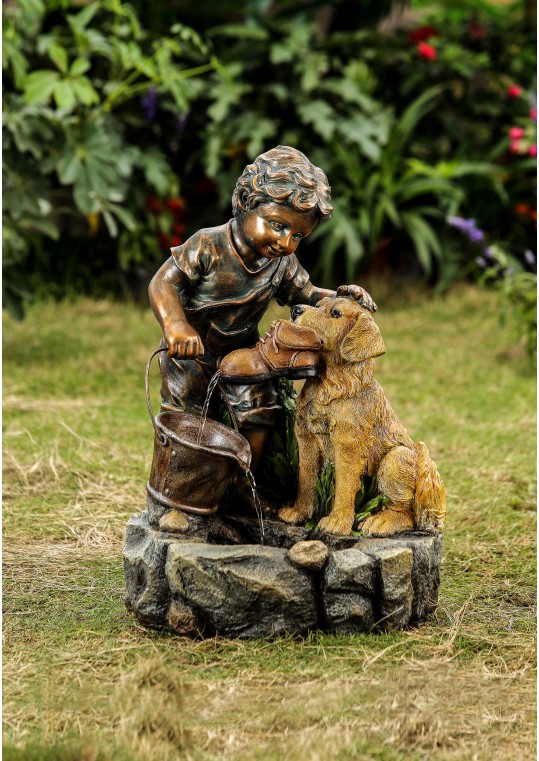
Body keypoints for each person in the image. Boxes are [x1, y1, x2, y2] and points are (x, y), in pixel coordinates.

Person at [148, 145, 376, 477]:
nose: (286, 242)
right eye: (277, 225)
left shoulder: (281, 263)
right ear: (244, 203)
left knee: (259, 410)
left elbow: (307, 295)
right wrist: (175, 325)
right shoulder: (208, 245)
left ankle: (244, 485)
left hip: (244, 353)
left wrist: (340, 296)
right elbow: (163, 283)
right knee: (184, 419)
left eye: (297, 235)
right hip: (191, 352)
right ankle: (176, 494)